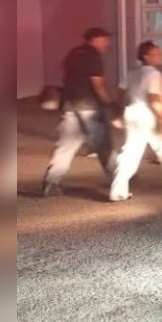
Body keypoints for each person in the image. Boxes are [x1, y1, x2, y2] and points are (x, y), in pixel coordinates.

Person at [110, 41, 162, 201]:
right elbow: (154, 99)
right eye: (157, 54)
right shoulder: (153, 74)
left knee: (133, 152)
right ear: (147, 57)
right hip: (148, 115)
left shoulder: (132, 72)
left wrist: (120, 113)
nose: (161, 56)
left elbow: (121, 92)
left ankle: (118, 190)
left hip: (132, 113)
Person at [42, 27, 117, 197]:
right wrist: (109, 102)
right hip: (89, 106)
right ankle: (118, 177)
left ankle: (51, 182)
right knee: (102, 143)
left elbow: (65, 77)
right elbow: (97, 84)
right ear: (96, 39)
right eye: (105, 40)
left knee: (66, 146)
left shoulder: (74, 53)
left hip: (69, 105)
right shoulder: (93, 55)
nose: (107, 44)